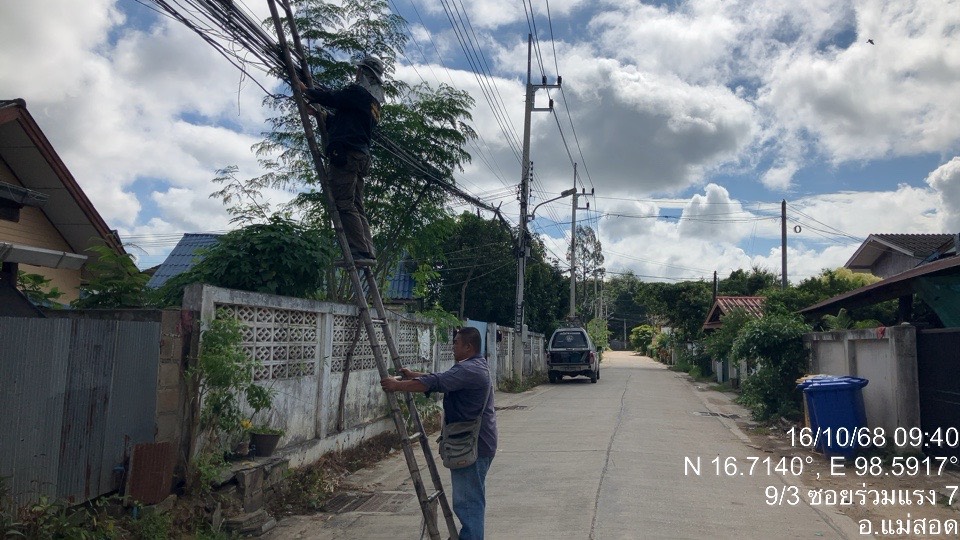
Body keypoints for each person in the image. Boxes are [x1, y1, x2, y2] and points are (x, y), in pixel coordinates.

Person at [380, 326, 497, 540]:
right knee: (470, 500)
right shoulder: (474, 366)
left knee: (468, 504)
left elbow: (438, 382)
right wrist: (414, 376)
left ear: (468, 347)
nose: (453, 346)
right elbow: (444, 378)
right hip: (477, 443)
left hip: (472, 445)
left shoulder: (469, 369)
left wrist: (397, 386)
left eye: (456, 343)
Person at [297, 56, 385, 265]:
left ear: (364, 73)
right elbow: (346, 123)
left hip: (347, 154)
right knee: (356, 204)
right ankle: (367, 250)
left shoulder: (358, 93)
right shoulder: (374, 105)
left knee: (344, 203)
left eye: (359, 71)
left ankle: (358, 251)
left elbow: (333, 98)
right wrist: (318, 114)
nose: (357, 74)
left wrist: (307, 90)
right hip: (361, 156)